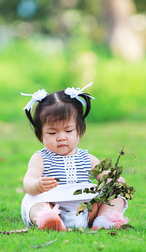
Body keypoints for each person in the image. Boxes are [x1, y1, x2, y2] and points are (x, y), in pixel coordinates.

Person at [20, 83, 129, 231]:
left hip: (85, 209)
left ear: (79, 129)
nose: (61, 137)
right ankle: (49, 220)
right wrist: (37, 185)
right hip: (53, 206)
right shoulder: (40, 158)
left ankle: (103, 220)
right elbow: (28, 182)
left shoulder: (88, 158)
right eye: (52, 133)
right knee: (31, 200)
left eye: (68, 130)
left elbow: (105, 177)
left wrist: (114, 179)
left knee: (117, 192)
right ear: (40, 135)